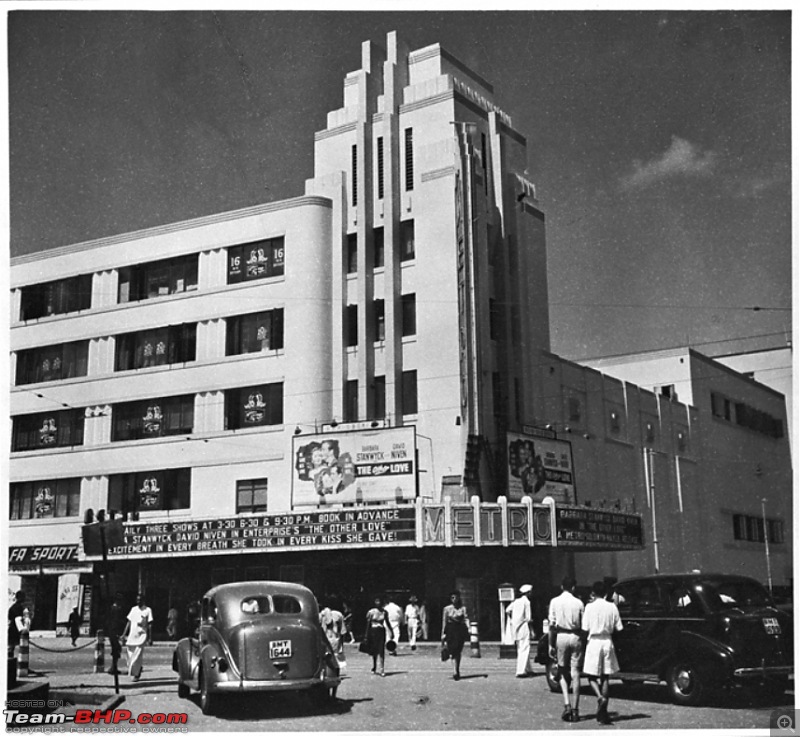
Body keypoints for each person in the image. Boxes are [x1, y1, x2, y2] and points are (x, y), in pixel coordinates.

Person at [582, 581, 623, 725]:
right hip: (607, 641)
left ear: (593, 592)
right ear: (606, 593)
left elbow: (585, 627)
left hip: (594, 641)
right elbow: (619, 627)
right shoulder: (612, 607)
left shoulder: (589, 607)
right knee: (605, 676)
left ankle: (600, 697)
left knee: (591, 675)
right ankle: (604, 711)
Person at [549, 576, 585, 723]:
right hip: (576, 636)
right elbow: (584, 626)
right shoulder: (579, 603)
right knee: (576, 672)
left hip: (561, 636)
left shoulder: (554, 601)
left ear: (561, 587)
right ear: (574, 588)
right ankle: (576, 710)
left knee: (563, 671)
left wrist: (551, 644)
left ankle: (567, 704)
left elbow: (552, 625)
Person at [122, 593, 153, 681]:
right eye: (137, 600)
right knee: (130, 655)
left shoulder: (148, 610)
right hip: (132, 636)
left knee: (138, 656)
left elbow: (150, 624)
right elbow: (129, 622)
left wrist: (150, 638)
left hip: (141, 636)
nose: (138, 601)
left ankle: (136, 674)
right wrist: (124, 634)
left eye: (140, 600)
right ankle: (136, 669)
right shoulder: (133, 609)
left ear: (143, 601)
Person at [507, 584, 534, 677]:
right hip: (524, 627)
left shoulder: (516, 601)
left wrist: (513, 619)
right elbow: (528, 618)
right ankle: (520, 671)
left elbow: (507, 610)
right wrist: (532, 630)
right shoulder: (527, 602)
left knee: (520, 647)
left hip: (515, 627)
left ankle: (528, 668)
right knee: (525, 648)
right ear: (528, 593)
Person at [441, 591, 469, 680]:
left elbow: (466, 618)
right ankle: (455, 671)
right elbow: (444, 622)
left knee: (458, 650)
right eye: (452, 598)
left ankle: (457, 668)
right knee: (452, 650)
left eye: (456, 597)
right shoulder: (447, 609)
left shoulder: (463, 608)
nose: (454, 599)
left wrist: (469, 628)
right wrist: (443, 634)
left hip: (460, 630)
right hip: (450, 630)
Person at [363, 596, 391, 676]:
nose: (378, 603)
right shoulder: (371, 612)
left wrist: (391, 631)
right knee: (374, 650)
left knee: (381, 649)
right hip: (373, 631)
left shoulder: (384, 612)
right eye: (376, 601)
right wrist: (366, 635)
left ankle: (382, 668)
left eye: (379, 601)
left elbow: (387, 622)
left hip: (381, 631)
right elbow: (368, 624)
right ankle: (374, 666)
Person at [106, 593, 127, 676]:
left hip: (114, 631)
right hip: (114, 631)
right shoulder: (115, 609)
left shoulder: (115, 608)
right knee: (116, 649)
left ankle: (114, 666)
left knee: (117, 649)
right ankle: (113, 667)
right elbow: (115, 621)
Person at [8, 591, 27, 657]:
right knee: (22, 646)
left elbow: (9, 617)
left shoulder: (12, 607)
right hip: (18, 629)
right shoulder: (21, 608)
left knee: (11, 647)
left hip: (12, 628)